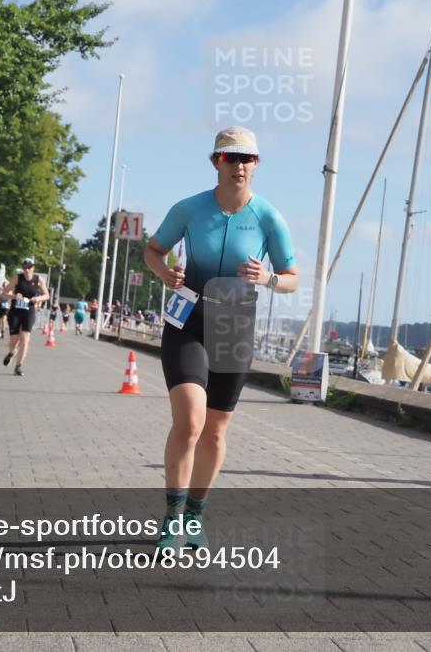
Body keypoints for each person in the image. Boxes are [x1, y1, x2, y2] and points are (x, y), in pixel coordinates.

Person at [143, 126, 298, 551]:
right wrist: (165, 274)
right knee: (190, 420)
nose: (240, 165)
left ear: (257, 164)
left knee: (214, 432)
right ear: (216, 162)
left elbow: (292, 279)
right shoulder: (189, 209)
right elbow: (152, 250)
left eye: (247, 158)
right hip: (188, 322)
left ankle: (195, 516)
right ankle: (171, 519)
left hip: (234, 330)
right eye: (231, 158)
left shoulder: (268, 216)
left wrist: (267, 278)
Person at [3, 258, 50, 376]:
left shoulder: (39, 280)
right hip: (15, 312)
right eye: (24, 268)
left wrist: (37, 299)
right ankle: (11, 352)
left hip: (29, 312)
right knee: (14, 340)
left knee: (24, 340)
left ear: (33, 268)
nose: (26, 270)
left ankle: (18, 366)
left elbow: (47, 295)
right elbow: (4, 293)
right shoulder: (17, 278)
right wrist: (14, 296)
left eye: (29, 268)